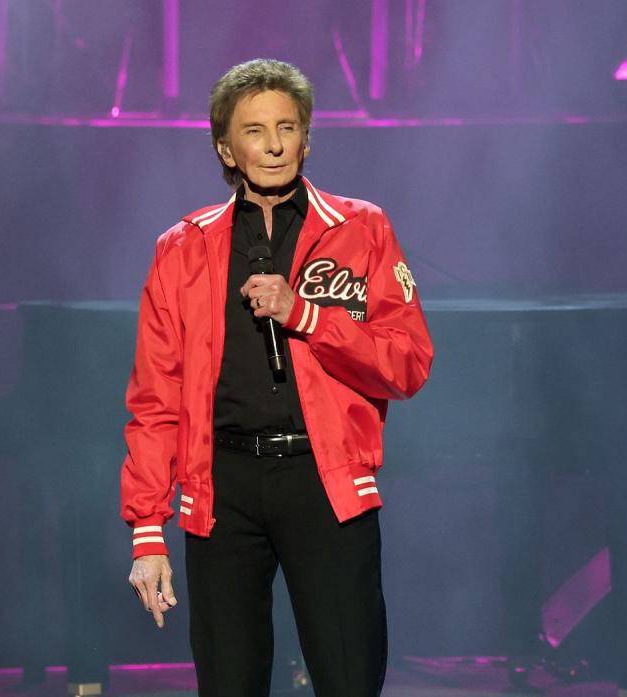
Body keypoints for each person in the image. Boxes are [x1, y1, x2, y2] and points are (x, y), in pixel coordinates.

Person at [120, 58, 433, 697]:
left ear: (307, 137)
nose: (273, 145)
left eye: (287, 127)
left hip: (326, 481)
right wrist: (147, 529)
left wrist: (308, 315)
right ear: (224, 147)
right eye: (254, 130)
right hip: (221, 491)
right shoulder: (180, 248)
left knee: (349, 676)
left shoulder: (361, 229)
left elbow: (408, 364)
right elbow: (156, 400)